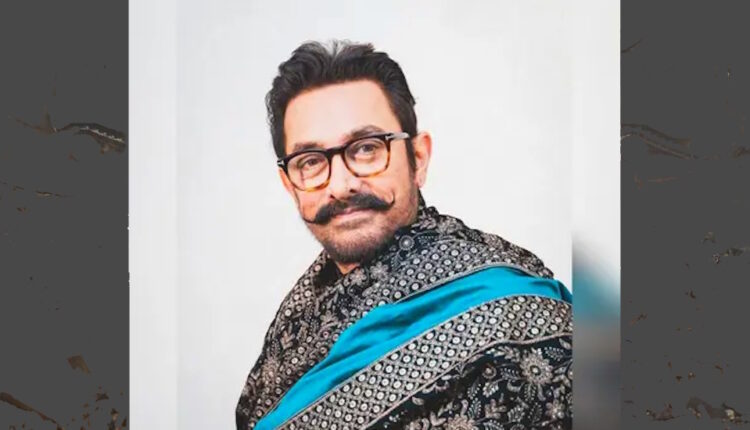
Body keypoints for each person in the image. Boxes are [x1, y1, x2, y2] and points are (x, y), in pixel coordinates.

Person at [236, 40, 572, 430]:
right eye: (310, 161)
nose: (341, 185)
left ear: (418, 158)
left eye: (366, 149)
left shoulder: (511, 310)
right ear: (289, 184)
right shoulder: (296, 323)